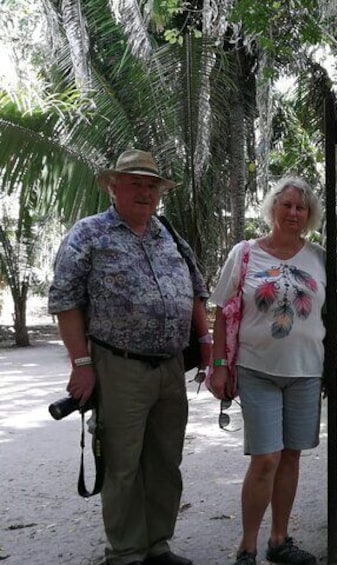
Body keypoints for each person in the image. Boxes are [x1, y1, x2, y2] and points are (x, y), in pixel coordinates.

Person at [48, 149, 210, 565]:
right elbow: (66, 303)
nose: (144, 192)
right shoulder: (87, 235)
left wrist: (206, 342)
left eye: (151, 185)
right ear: (113, 186)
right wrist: (81, 365)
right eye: (135, 183)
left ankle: (157, 545)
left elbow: (196, 290)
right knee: (122, 463)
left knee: (165, 461)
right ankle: (126, 552)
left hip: (171, 367)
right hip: (118, 365)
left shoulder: (167, 233)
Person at [208, 177, 325, 565]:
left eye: (301, 207)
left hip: (306, 371)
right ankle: (247, 545)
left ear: (309, 215)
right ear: (272, 208)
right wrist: (220, 366)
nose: (293, 213)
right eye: (286, 205)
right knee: (266, 458)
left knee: (291, 456)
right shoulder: (245, 253)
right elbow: (223, 312)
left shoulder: (320, 257)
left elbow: (332, 314)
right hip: (256, 369)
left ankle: (279, 540)